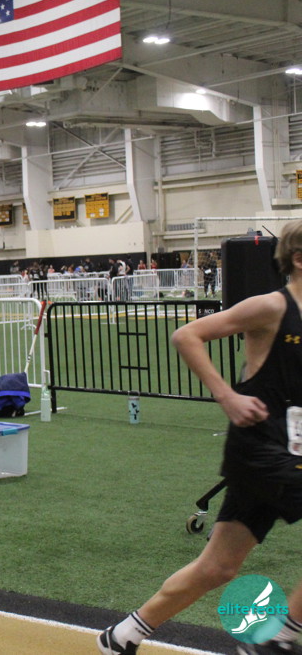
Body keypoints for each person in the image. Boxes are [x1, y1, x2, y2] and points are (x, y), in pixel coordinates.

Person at [97, 220, 302, 655]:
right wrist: (227, 396)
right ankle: (279, 637)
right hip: (260, 448)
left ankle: (122, 636)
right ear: (299, 259)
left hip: (287, 450)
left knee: (219, 567)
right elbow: (187, 335)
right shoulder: (271, 306)